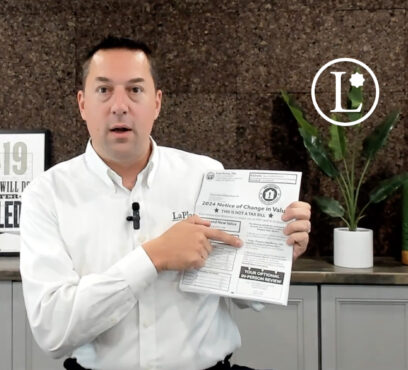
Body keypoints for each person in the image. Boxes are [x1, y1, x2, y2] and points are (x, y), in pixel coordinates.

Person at [20, 36, 311, 370]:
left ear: (156, 103)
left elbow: (245, 294)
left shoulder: (206, 176)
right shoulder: (46, 195)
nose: (119, 105)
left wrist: (275, 250)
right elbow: (53, 331)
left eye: (135, 90)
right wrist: (152, 258)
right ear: (82, 104)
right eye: (103, 90)